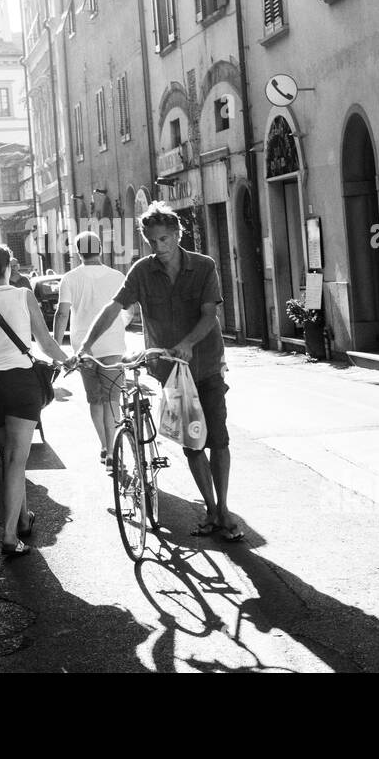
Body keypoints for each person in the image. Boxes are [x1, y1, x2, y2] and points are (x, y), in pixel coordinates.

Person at [79, 203, 243, 542]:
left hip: (206, 364)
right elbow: (114, 308)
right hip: (170, 371)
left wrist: (188, 343)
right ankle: (211, 510)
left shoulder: (203, 266)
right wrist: (84, 346)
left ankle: (224, 508)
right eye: (152, 241)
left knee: (219, 440)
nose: (159, 247)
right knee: (192, 444)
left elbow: (209, 313)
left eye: (165, 239)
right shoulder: (142, 271)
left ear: (178, 235)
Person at [0, 241, 71, 558]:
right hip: (21, 383)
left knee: (10, 458)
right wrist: (67, 360)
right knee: (15, 460)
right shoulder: (24, 296)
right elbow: (46, 342)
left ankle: (23, 519)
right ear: (10, 267)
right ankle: (10, 537)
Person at [54, 231, 128, 467]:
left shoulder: (70, 278)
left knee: (95, 400)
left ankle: (106, 447)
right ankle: (113, 450)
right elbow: (129, 311)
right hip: (113, 345)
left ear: (78, 253)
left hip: (84, 348)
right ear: (101, 249)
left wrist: (56, 348)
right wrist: (119, 326)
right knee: (112, 399)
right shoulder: (117, 276)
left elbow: (62, 313)